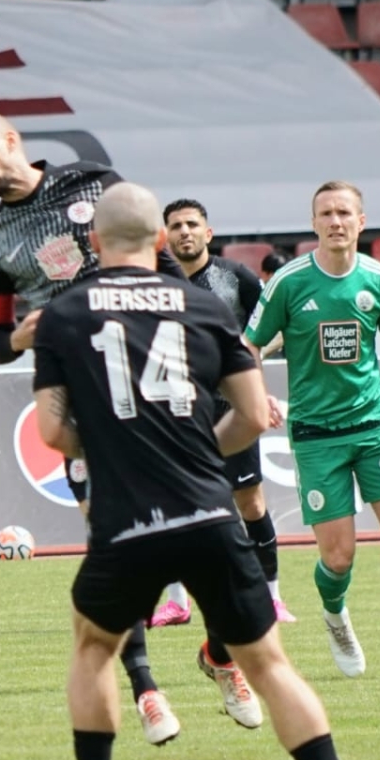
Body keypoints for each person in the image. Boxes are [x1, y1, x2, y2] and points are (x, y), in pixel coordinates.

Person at [32, 181, 370, 760]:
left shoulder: (65, 313)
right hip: (211, 517)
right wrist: (196, 457)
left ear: (94, 245)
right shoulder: (204, 304)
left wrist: (110, 450)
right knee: (269, 664)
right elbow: (250, 417)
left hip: (126, 523)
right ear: (161, 240)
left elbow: (50, 431)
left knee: (93, 647)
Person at [0, 111, 183, 747]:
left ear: (10, 141)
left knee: (199, 524)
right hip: (81, 393)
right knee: (110, 542)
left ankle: (222, 656)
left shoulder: (91, 181)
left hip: (152, 376)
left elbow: (160, 259)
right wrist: (28, 333)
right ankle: (147, 689)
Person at [243, 182, 380, 681]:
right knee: (338, 557)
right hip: (317, 433)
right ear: (314, 223)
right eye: (326, 213)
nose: (336, 221)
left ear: (361, 222)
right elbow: (248, 345)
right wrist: (257, 396)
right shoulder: (289, 283)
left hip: (375, 424)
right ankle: (335, 615)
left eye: (345, 212)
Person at [158, 198, 294, 732]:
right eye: (175, 226)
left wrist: (256, 388)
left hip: (231, 409)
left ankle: (272, 597)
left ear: (208, 231)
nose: (185, 232)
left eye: (192, 224)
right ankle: (175, 604)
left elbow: (266, 332)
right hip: (174, 411)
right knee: (179, 508)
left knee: (249, 502)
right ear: (164, 236)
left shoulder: (237, 280)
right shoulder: (154, 283)